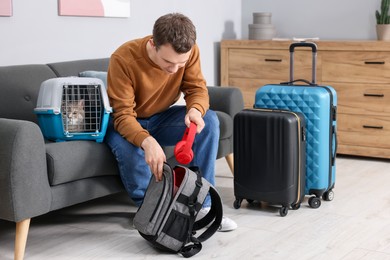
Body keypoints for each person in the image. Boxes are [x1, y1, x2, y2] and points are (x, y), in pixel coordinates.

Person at [105, 13, 237, 232]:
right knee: (132, 149)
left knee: (209, 120)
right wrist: (146, 141)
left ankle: (203, 206)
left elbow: (196, 89)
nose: (174, 69)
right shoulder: (123, 58)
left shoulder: (190, 50)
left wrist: (195, 110)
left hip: (160, 118)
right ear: (152, 45)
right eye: (168, 62)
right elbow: (123, 115)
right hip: (124, 122)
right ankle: (151, 211)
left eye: (180, 63)